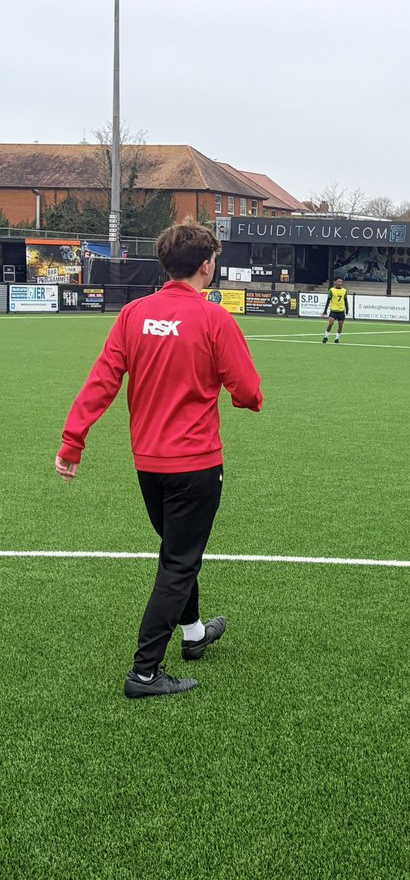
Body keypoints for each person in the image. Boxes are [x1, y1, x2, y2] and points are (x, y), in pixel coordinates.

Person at [55, 220, 264, 698]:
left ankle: (194, 635)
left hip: (148, 465)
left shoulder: (133, 314)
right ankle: (145, 672)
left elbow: (102, 382)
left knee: (177, 553)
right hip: (195, 465)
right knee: (178, 562)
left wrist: (73, 443)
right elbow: (249, 392)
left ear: (166, 263)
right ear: (207, 266)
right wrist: (243, 399)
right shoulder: (215, 319)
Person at [322, 277, 348, 343]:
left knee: (340, 325)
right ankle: (326, 336)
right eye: (339, 281)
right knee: (331, 323)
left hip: (341, 311)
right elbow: (328, 300)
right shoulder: (331, 290)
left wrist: (347, 309)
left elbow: (345, 300)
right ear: (335, 282)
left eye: (341, 282)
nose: (340, 283)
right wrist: (325, 311)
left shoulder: (344, 291)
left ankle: (337, 338)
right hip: (333, 310)